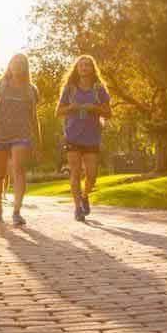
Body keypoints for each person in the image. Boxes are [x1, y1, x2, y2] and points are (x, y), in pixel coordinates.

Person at [0, 53, 39, 226]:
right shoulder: (0, 86)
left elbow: (34, 117)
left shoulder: (31, 90)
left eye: (21, 63)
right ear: (9, 66)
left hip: (22, 135)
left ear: (25, 68)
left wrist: (38, 140)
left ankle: (17, 211)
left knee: (18, 169)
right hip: (0, 134)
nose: (17, 66)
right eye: (14, 63)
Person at [58, 54, 112, 221]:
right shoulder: (70, 88)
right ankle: (77, 208)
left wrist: (95, 108)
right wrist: (71, 107)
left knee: (92, 174)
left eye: (88, 65)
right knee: (75, 172)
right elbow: (58, 112)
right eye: (81, 65)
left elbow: (109, 113)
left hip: (92, 137)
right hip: (72, 135)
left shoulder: (99, 89)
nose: (84, 68)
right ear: (77, 68)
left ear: (92, 68)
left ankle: (85, 195)